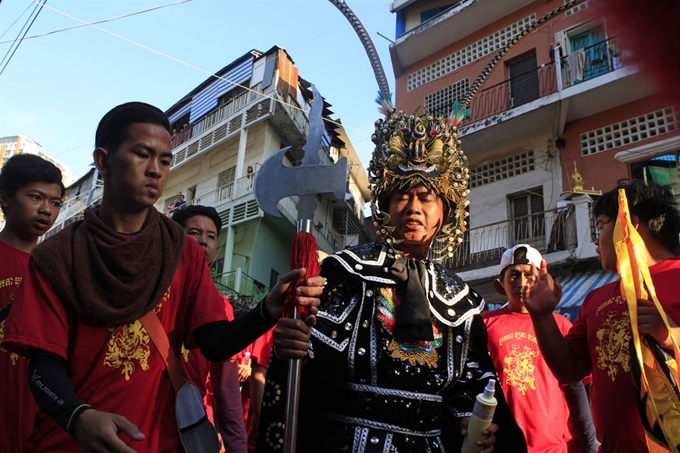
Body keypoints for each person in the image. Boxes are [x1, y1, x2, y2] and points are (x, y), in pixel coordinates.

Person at [2, 101, 323, 453]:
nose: (155, 170)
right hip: (70, 442)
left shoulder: (181, 252)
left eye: (165, 160)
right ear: (104, 161)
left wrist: (267, 310)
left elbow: (214, 343)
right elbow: (43, 367)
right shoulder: (58, 256)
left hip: (157, 442)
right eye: (142, 155)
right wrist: (79, 417)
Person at [258, 109, 526, 452]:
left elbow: (471, 384)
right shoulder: (345, 273)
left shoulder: (462, 301)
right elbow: (308, 361)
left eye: (426, 197)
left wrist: (470, 422)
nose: (413, 208)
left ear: (445, 210)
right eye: (402, 195)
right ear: (384, 205)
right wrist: (290, 345)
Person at [522, 179, 680, 452]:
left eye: (601, 226)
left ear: (628, 225)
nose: (596, 239)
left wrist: (670, 335)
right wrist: (542, 316)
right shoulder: (596, 298)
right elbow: (570, 369)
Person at [482, 244, 597, 453]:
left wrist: (589, 444)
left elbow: (577, 389)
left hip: (553, 446)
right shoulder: (483, 325)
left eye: (529, 274)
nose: (522, 282)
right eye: (514, 275)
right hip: (501, 443)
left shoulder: (561, 326)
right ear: (501, 283)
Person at [171, 204, 248, 452]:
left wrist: (237, 447)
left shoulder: (222, 307)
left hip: (192, 426)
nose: (203, 242)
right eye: (194, 233)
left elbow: (227, 392)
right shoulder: (154, 289)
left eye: (211, 236)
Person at [0, 154, 64, 453]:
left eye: (55, 203)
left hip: (40, 422)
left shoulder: (59, 271)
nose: (46, 210)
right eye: (36, 197)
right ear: (5, 199)